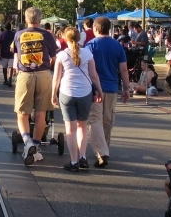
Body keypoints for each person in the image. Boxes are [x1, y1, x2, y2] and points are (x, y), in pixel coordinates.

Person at [51, 26, 103, 171]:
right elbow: (94, 76)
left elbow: (56, 78)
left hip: (67, 93)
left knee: (70, 129)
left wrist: (53, 94)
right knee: (82, 126)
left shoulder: (61, 55)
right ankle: (83, 157)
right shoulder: (87, 53)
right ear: (79, 38)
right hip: (85, 93)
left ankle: (74, 161)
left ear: (65, 38)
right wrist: (99, 91)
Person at [13, 7, 59, 166]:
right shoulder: (48, 35)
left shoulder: (19, 34)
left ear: (26, 19)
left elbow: (16, 54)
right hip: (44, 74)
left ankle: (27, 142)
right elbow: (54, 57)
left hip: (25, 75)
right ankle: (36, 147)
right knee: (41, 114)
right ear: (40, 20)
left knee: (22, 113)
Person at [84, 17, 130, 167]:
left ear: (96, 29)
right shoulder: (117, 45)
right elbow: (123, 69)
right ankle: (105, 147)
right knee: (107, 120)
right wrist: (126, 88)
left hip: (95, 88)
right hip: (111, 87)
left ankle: (101, 151)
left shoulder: (90, 45)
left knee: (95, 120)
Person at [0, 22, 16, 86]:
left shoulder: (2, 34)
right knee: (11, 67)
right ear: (11, 27)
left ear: (5, 27)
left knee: (4, 67)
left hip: (4, 53)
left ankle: (5, 80)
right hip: (12, 53)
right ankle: (10, 79)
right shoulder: (14, 34)